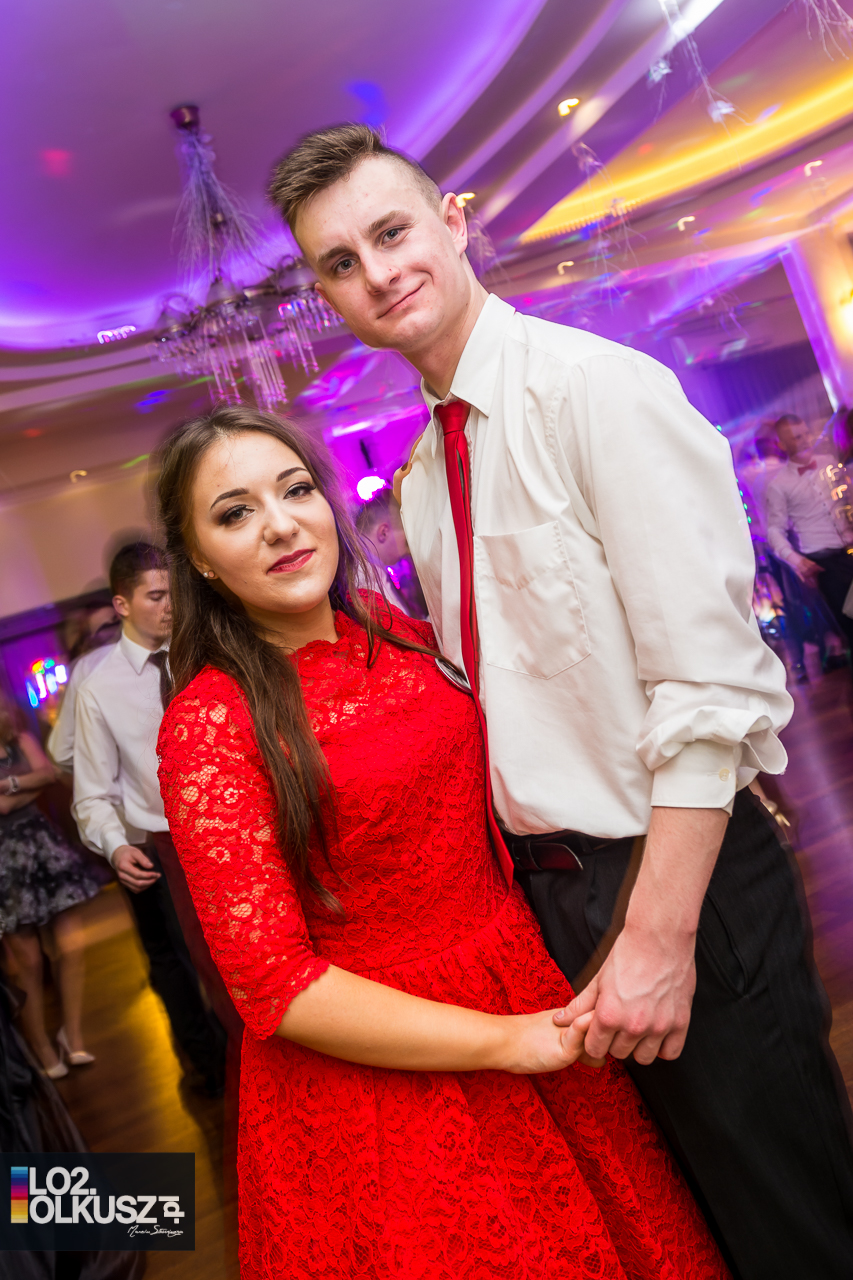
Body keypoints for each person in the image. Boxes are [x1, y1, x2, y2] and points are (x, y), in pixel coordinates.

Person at [269, 123, 853, 1278]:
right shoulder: (424, 474)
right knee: (698, 1220)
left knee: (791, 1218)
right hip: (549, 903)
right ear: (326, 295)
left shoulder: (598, 391)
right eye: (339, 262)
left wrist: (657, 932)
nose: (376, 272)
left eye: (390, 231)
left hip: (672, 877)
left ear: (454, 221)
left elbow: (710, 685)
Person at [155, 405, 728, 1280]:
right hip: (380, 1071)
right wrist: (507, 1043)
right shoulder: (209, 723)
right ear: (198, 558)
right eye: (234, 513)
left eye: (295, 490)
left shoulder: (395, 631)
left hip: (519, 979)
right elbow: (272, 984)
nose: (279, 525)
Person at [71, 541, 228, 1097]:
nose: (170, 606)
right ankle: (231, 1078)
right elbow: (91, 793)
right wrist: (115, 844)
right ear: (121, 604)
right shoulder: (98, 689)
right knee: (205, 969)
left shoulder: (208, 651)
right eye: (156, 596)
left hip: (240, 827)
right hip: (171, 846)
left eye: (174, 594)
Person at [0, 691, 102, 1077]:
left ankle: (71, 1036)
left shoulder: (20, 739)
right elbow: (11, 800)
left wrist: (10, 785)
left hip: (43, 847)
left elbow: (50, 774)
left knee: (73, 945)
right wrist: (27, 787)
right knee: (28, 963)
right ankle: (41, 1047)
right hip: (5, 860)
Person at [766, 412, 853, 660]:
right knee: (849, 623)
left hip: (849, 551)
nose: (805, 440)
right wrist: (797, 561)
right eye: (796, 437)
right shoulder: (779, 485)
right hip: (823, 562)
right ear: (782, 445)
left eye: (805, 434)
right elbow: (774, 530)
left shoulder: (829, 462)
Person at [354, 485, 427, 617]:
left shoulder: (373, 571)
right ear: (384, 533)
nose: (408, 552)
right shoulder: (362, 578)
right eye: (406, 542)